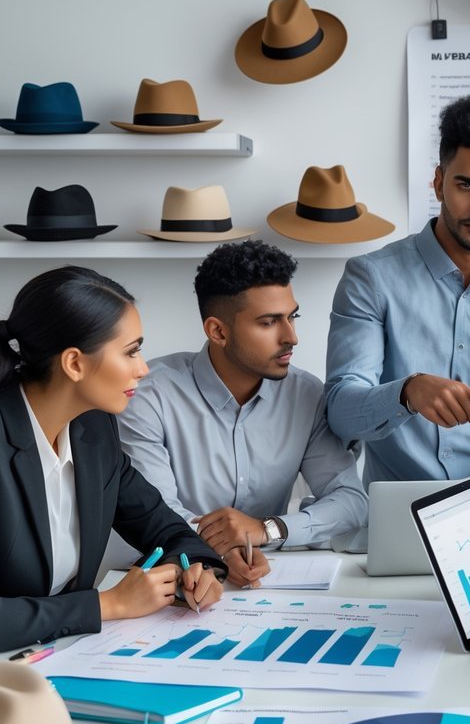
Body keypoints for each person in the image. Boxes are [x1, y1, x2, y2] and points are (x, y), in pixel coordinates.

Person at [0, 266, 225, 721]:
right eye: (132, 352)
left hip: (33, 677)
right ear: (75, 363)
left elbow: (170, 531)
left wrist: (193, 571)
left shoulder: (93, 431)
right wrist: (109, 604)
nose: (143, 368)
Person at [325, 92, 470, 507]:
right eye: (467, 185)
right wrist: (407, 393)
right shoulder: (371, 278)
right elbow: (341, 413)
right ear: (438, 182)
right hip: (392, 515)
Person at [119, 241, 367, 587]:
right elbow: (155, 513)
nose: (291, 337)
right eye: (269, 323)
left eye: (292, 316)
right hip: (169, 583)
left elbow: (351, 502)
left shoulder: (307, 395)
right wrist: (215, 550)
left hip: (267, 586)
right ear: (218, 331)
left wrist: (268, 529)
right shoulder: (147, 396)